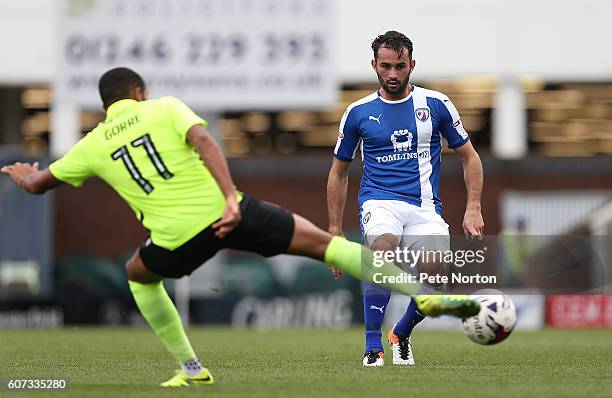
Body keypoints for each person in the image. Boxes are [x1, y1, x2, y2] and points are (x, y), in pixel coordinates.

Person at [1, 67, 480, 387]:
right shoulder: (164, 107)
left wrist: (26, 179)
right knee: (325, 245)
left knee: (136, 273)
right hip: (232, 212)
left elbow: (42, 183)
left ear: (107, 105)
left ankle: (190, 367)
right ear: (139, 93)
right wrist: (230, 199)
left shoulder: (90, 144)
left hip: (174, 240)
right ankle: (420, 293)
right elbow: (205, 142)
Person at [327, 31, 484, 367]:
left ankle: (400, 334)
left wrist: (473, 208)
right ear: (374, 65)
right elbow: (338, 172)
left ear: (412, 64)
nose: (393, 74)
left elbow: (470, 157)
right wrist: (335, 231)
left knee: (436, 272)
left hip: (425, 207)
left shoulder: (437, 105)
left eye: (400, 66)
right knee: (382, 249)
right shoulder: (358, 112)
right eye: (386, 66)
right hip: (379, 201)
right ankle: (373, 345)